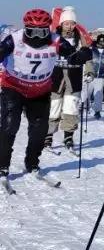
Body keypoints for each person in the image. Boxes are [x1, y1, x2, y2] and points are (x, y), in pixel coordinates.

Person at [1, 10, 81, 183]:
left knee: (39, 131)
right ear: (25, 29)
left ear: (48, 30)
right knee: (9, 126)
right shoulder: (14, 39)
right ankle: (2, 165)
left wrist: (81, 56)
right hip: (14, 88)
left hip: (40, 91)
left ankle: (32, 162)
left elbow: (73, 55)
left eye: (42, 32)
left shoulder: (56, 40)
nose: (37, 37)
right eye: (32, 32)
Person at [46, 7, 92, 152]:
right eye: (66, 23)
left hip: (74, 77)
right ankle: (48, 135)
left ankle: (68, 136)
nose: (70, 26)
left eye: (72, 23)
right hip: (56, 76)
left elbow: (87, 57)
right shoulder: (53, 37)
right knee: (54, 106)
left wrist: (89, 71)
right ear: (61, 24)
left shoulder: (80, 39)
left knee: (71, 107)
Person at [86, 34, 104, 119]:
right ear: (97, 41)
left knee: (98, 94)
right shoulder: (91, 49)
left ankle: (97, 111)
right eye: (100, 41)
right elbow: (86, 61)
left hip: (101, 75)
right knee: (86, 93)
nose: (102, 43)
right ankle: (84, 107)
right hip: (90, 74)